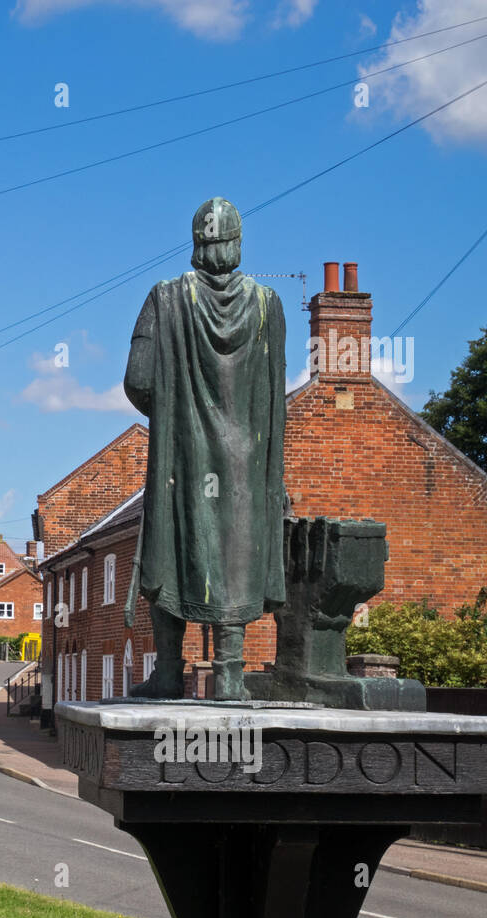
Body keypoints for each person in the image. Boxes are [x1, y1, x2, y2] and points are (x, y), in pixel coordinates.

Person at [123, 197, 287, 701]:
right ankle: (231, 676)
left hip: (182, 456)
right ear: (237, 244)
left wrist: (176, 413)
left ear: (195, 243)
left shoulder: (164, 298)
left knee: (171, 548)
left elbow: (138, 381)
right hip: (245, 464)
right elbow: (276, 393)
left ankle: (171, 671)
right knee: (237, 554)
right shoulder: (268, 304)